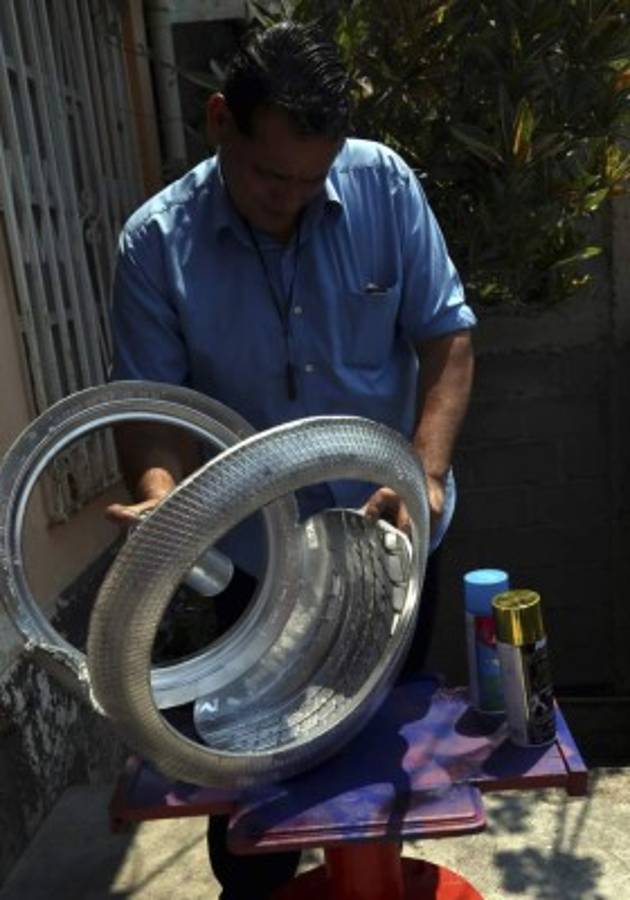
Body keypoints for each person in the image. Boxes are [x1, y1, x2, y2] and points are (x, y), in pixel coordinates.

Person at [107, 20, 475, 900]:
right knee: (250, 814)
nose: (293, 200)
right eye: (272, 176)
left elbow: (448, 342)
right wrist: (163, 504)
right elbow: (147, 412)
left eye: (313, 180)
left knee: (390, 780)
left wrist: (422, 477)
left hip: (392, 549)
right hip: (255, 574)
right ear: (218, 120)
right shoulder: (155, 245)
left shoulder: (381, 185)